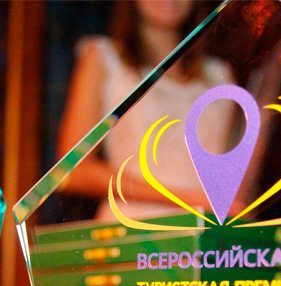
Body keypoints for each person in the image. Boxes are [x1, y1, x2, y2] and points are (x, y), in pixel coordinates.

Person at [57, 0, 237, 219]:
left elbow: (233, 173)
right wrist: (185, 199)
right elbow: (73, 170)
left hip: (208, 226)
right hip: (136, 226)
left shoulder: (219, 74)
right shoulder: (105, 57)